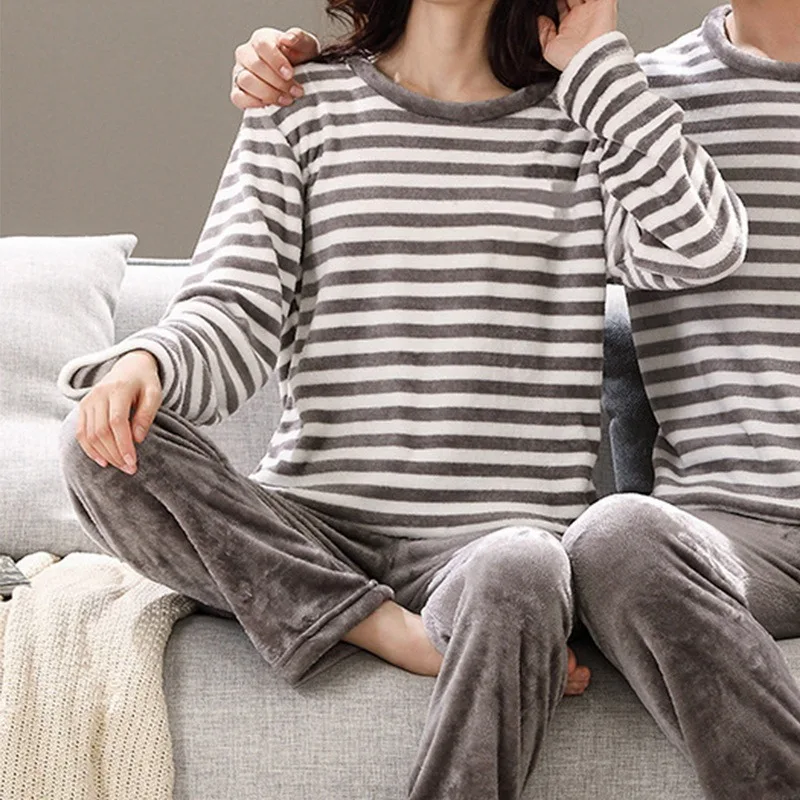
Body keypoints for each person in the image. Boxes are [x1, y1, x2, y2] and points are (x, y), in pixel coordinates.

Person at [58, 0, 747, 798]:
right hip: (313, 532)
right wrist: (151, 360)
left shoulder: (582, 125)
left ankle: (369, 624)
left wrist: (595, 61)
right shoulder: (301, 104)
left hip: (491, 551)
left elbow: (703, 245)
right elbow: (235, 310)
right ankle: (376, 624)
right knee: (95, 444)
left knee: (525, 564)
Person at [228, 1, 800, 797]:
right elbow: (700, 241)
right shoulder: (624, 96)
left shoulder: (602, 99)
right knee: (614, 539)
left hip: (604, 546)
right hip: (730, 536)